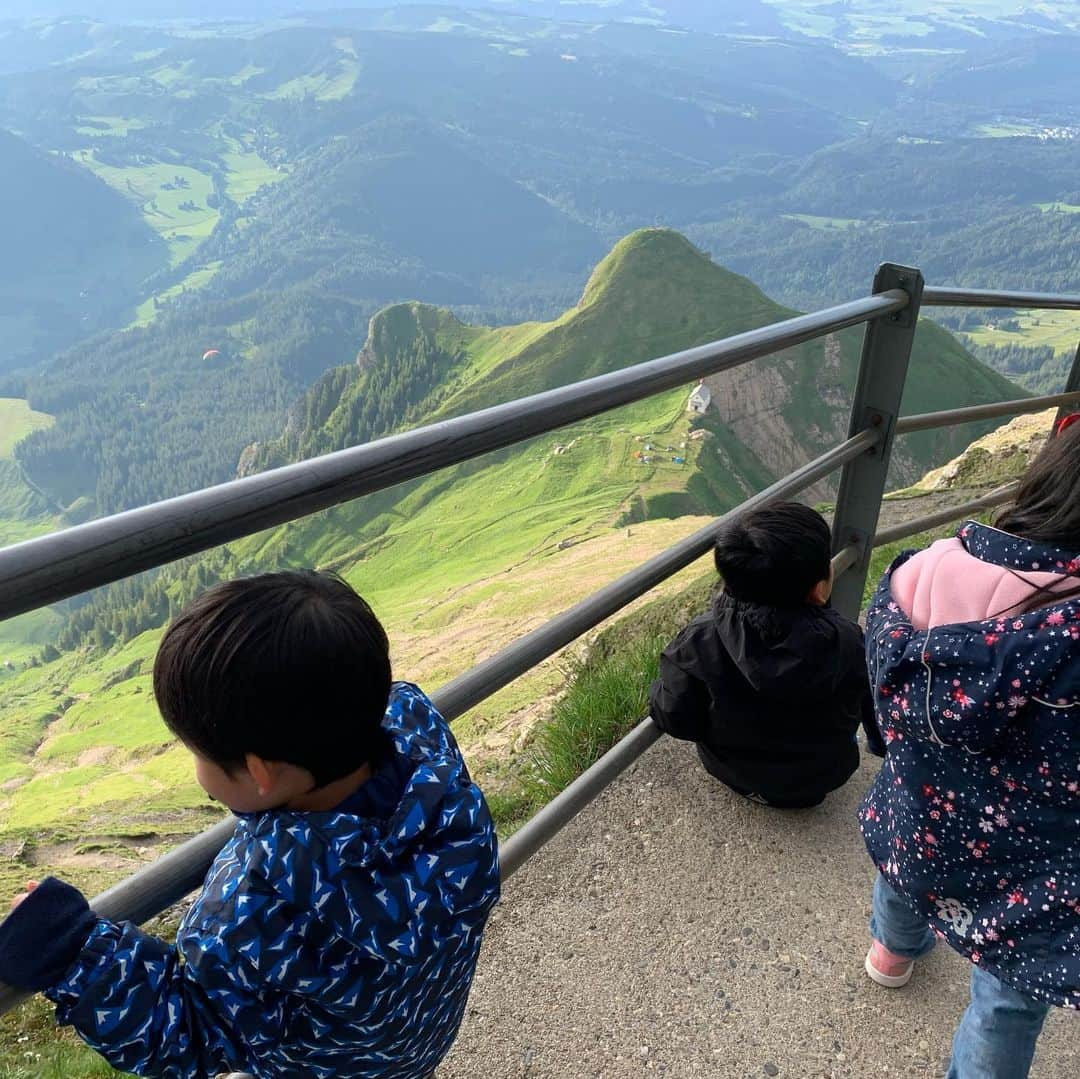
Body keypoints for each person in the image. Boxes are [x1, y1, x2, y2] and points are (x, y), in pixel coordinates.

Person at [0, 571, 500, 1079]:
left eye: (196, 752)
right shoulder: (427, 750)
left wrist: (76, 952)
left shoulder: (252, 911)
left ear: (259, 772)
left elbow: (191, 1034)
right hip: (415, 1043)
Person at [860, 413, 1080, 1078]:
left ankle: (891, 956)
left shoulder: (921, 569)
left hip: (921, 809)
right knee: (1008, 996)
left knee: (905, 868)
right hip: (1032, 861)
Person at [649, 501, 882, 808]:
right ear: (819, 588)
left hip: (732, 772)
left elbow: (676, 717)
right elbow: (872, 705)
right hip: (822, 778)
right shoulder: (849, 640)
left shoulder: (699, 640)